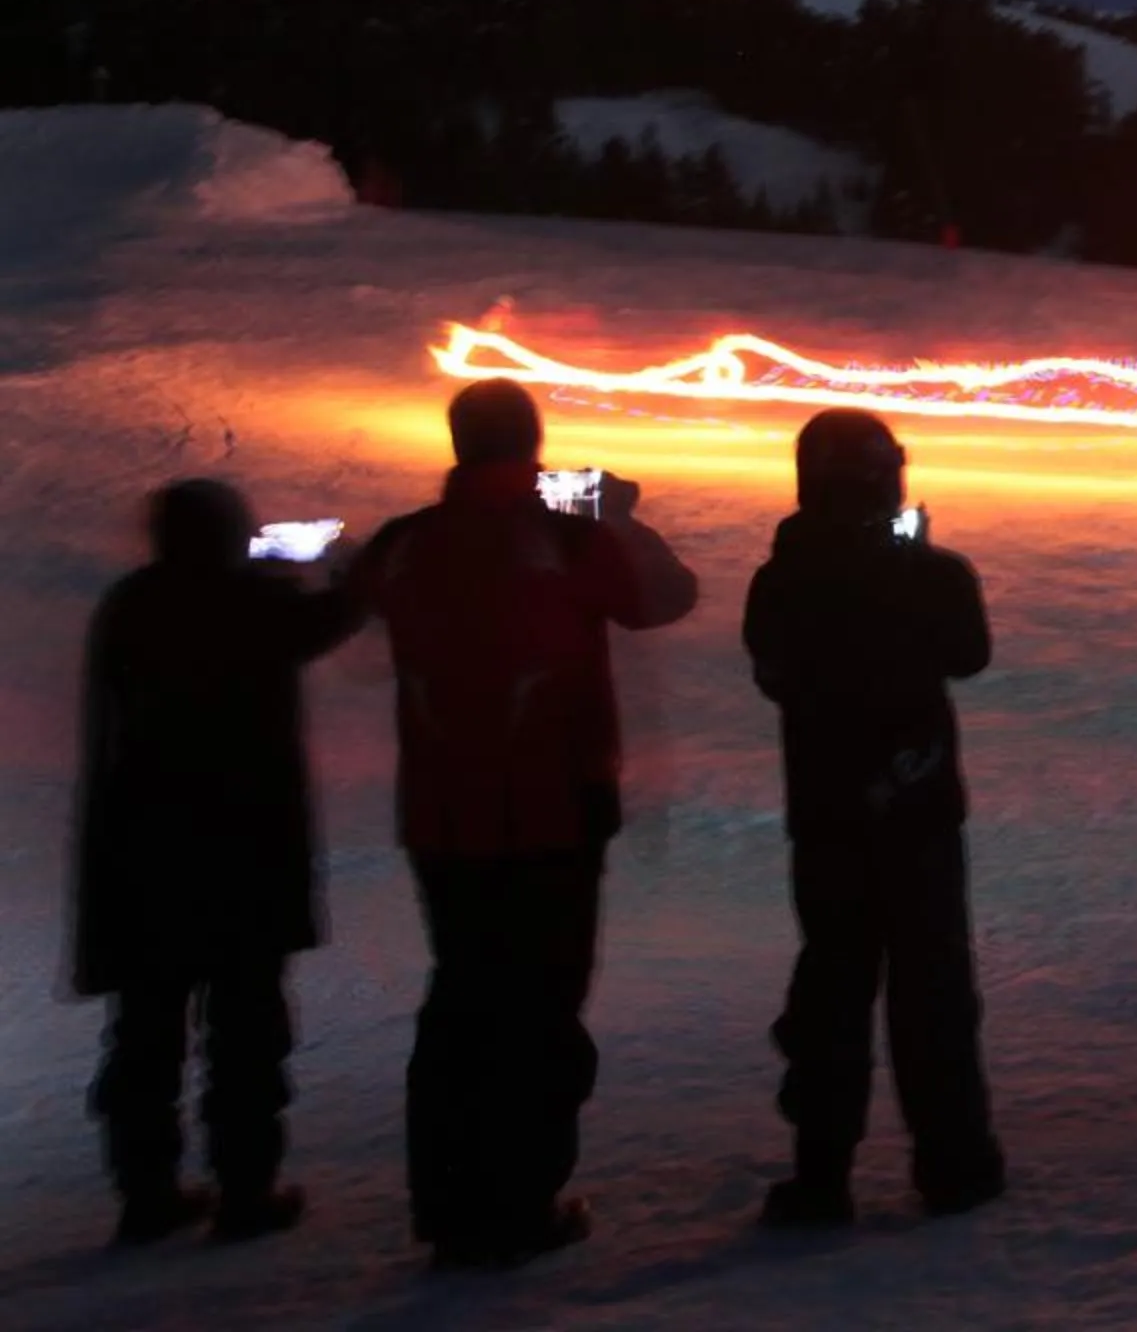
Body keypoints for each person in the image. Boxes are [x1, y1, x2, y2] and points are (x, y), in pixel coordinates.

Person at [352, 379, 697, 1271]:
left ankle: (450, 1202)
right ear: (532, 443)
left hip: (441, 815)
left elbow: (350, 608)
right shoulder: (567, 537)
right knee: (540, 1005)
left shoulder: (406, 542)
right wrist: (617, 517)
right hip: (554, 808)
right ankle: (520, 1201)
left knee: (461, 999)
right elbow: (666, 597)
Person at [68, 479, 362, 1247]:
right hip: (244, 854)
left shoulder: (131, 604)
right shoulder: (249, 603)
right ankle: (245, 1190)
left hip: (142, 856)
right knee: (246, 1032)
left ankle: (146, 1193)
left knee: (144, 1034)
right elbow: (327, 621)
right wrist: (349, 575)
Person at [744, 409, 1004, 1227]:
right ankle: (954, 1165)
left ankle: (822, 1175)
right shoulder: (930, 574)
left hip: (827, 815)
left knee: (832, 987)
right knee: (933, 991)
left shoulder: (781, 579)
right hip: (918, 812)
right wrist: (913, 567)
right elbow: (969, 654)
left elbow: (773, 675)